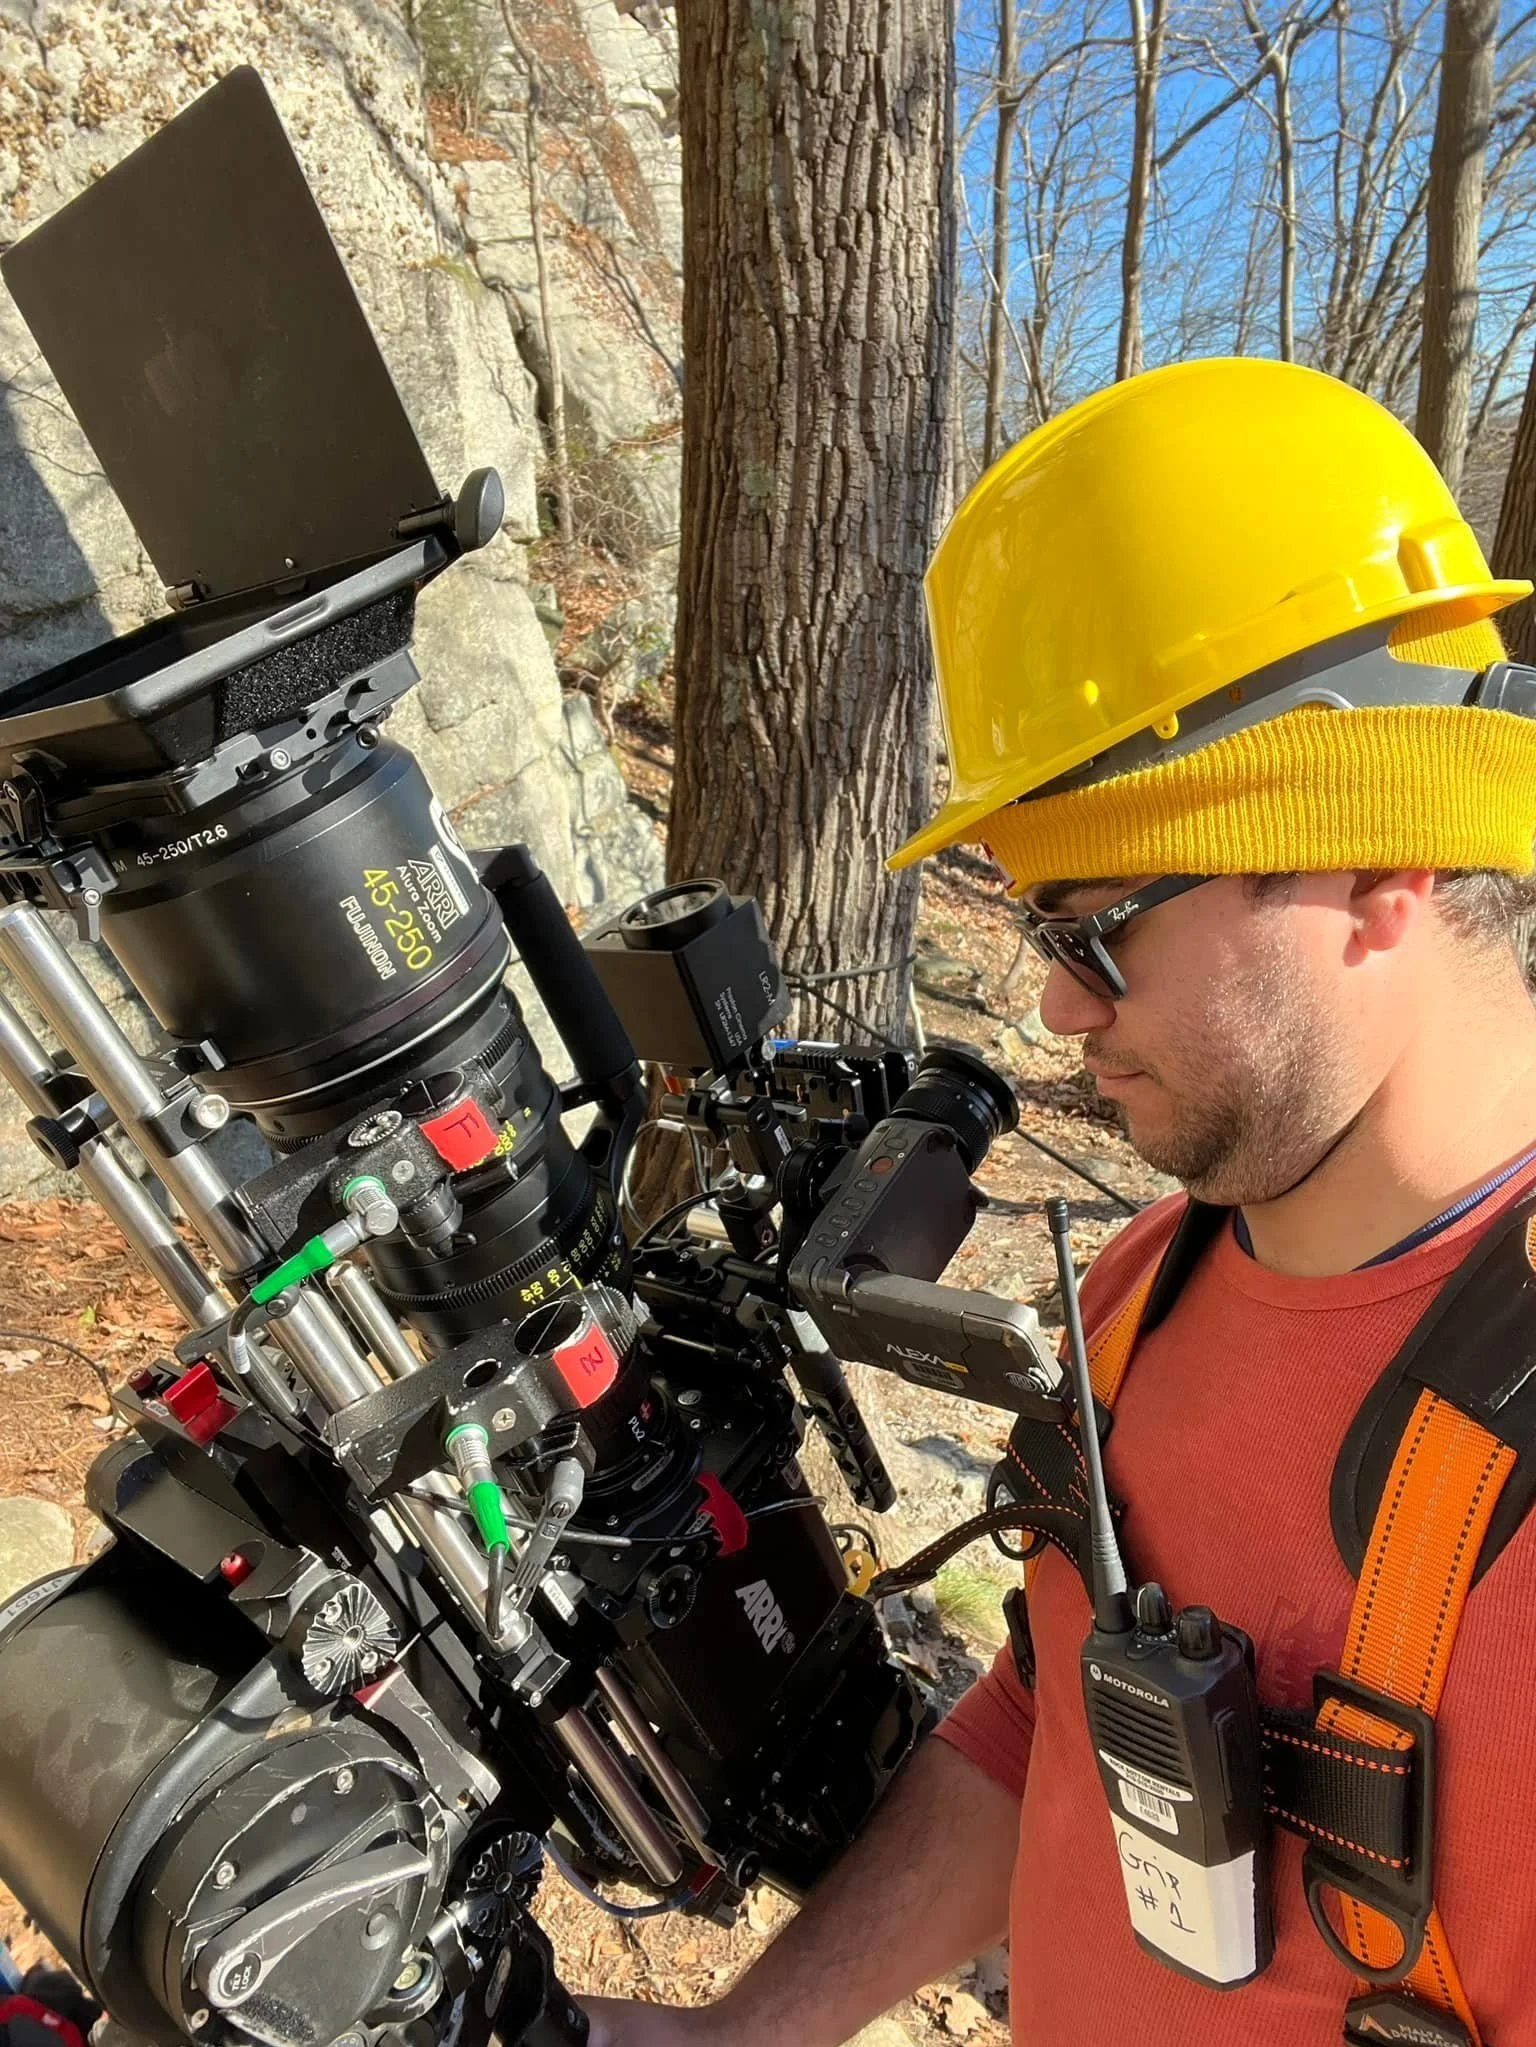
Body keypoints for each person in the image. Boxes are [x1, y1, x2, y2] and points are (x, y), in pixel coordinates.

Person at [580, 357, 1536, 2047]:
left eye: (1098, 930)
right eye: (1039, 937)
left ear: (1380, 861)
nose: (1055, 1011)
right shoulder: (1147, 1294)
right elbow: (1042, 1728)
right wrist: (741, 2034)